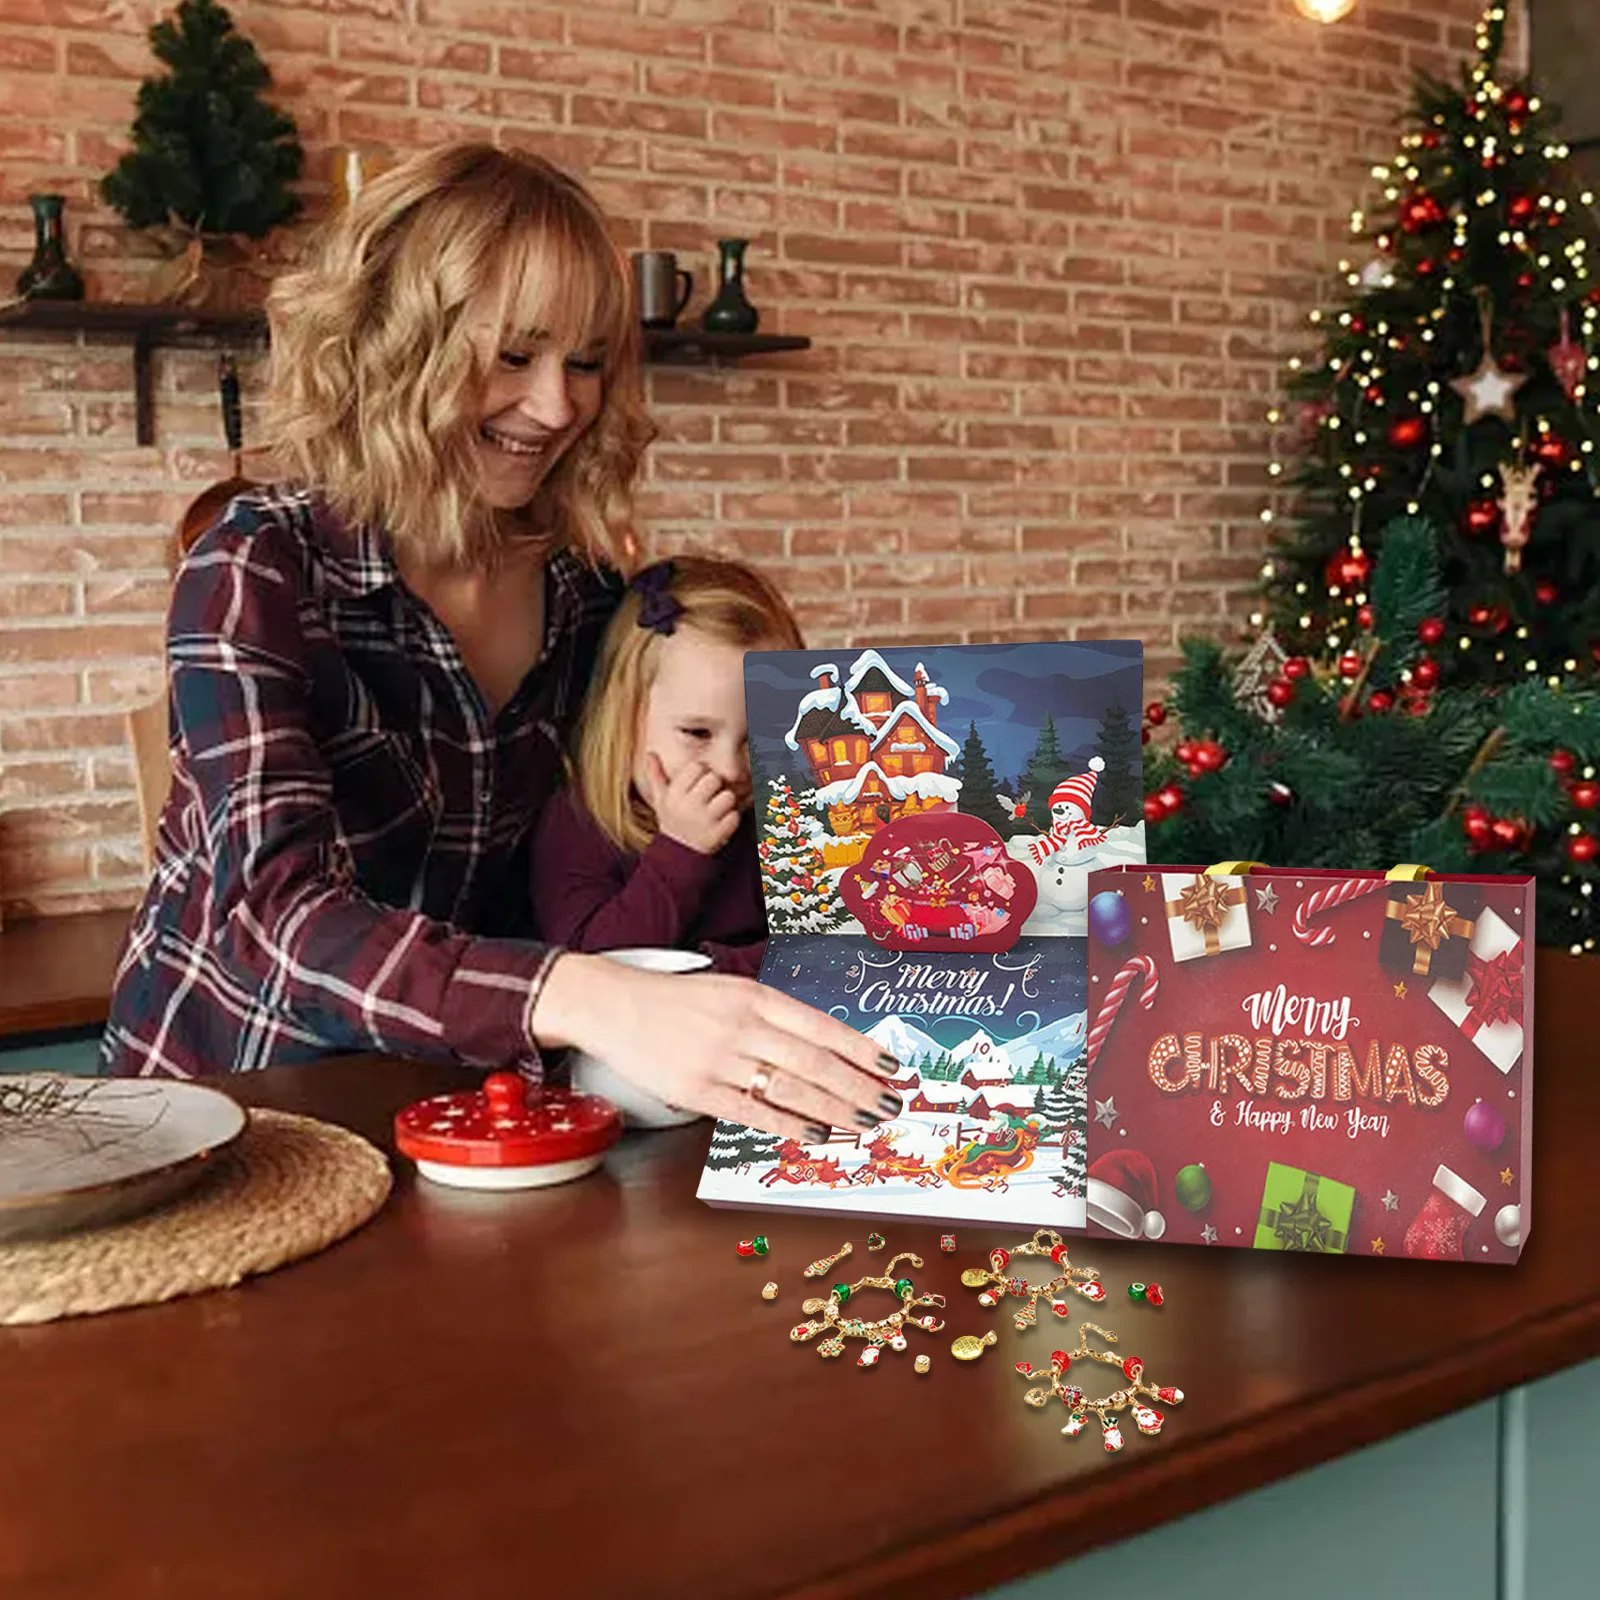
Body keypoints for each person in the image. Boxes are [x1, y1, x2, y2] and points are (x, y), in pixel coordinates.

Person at [102, 142, 901, 1144]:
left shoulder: (589, 596)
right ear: (397, 345)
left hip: (475, 1114)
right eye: (514, 357)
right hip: (232, 1107)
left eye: (585, 363)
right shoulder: (257, 564)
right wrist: (595, 997)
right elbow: (273, 922)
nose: (558, 407)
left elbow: (637, 845)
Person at [532, 555, 796, 978]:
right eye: (697, 733)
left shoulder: (783, 813)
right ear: (625, 715)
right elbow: (588, 973)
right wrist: (680, 854)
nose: (730, 768)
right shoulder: (580, 823)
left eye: (757, 737)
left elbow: (821, 955)